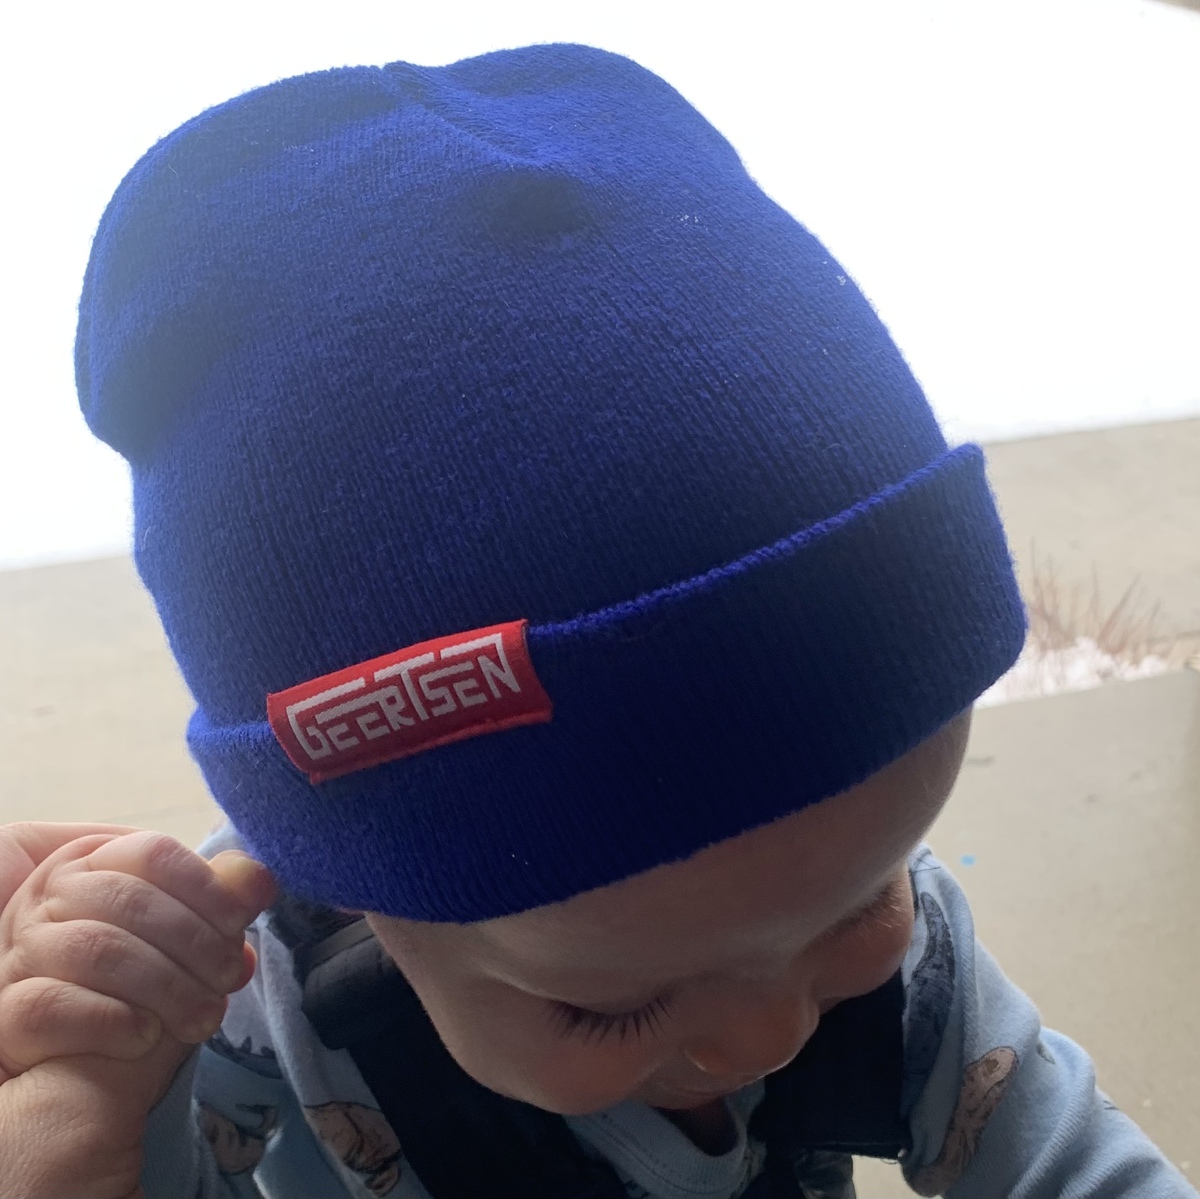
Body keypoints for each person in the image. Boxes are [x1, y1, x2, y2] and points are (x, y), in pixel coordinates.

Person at [0, 42, 1193, 1199]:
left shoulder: (817, 875)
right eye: (613, 1007)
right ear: (363, 892)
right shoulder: (253, 988)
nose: (768, 1034)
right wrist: (108, 1092)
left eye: (863, 906)